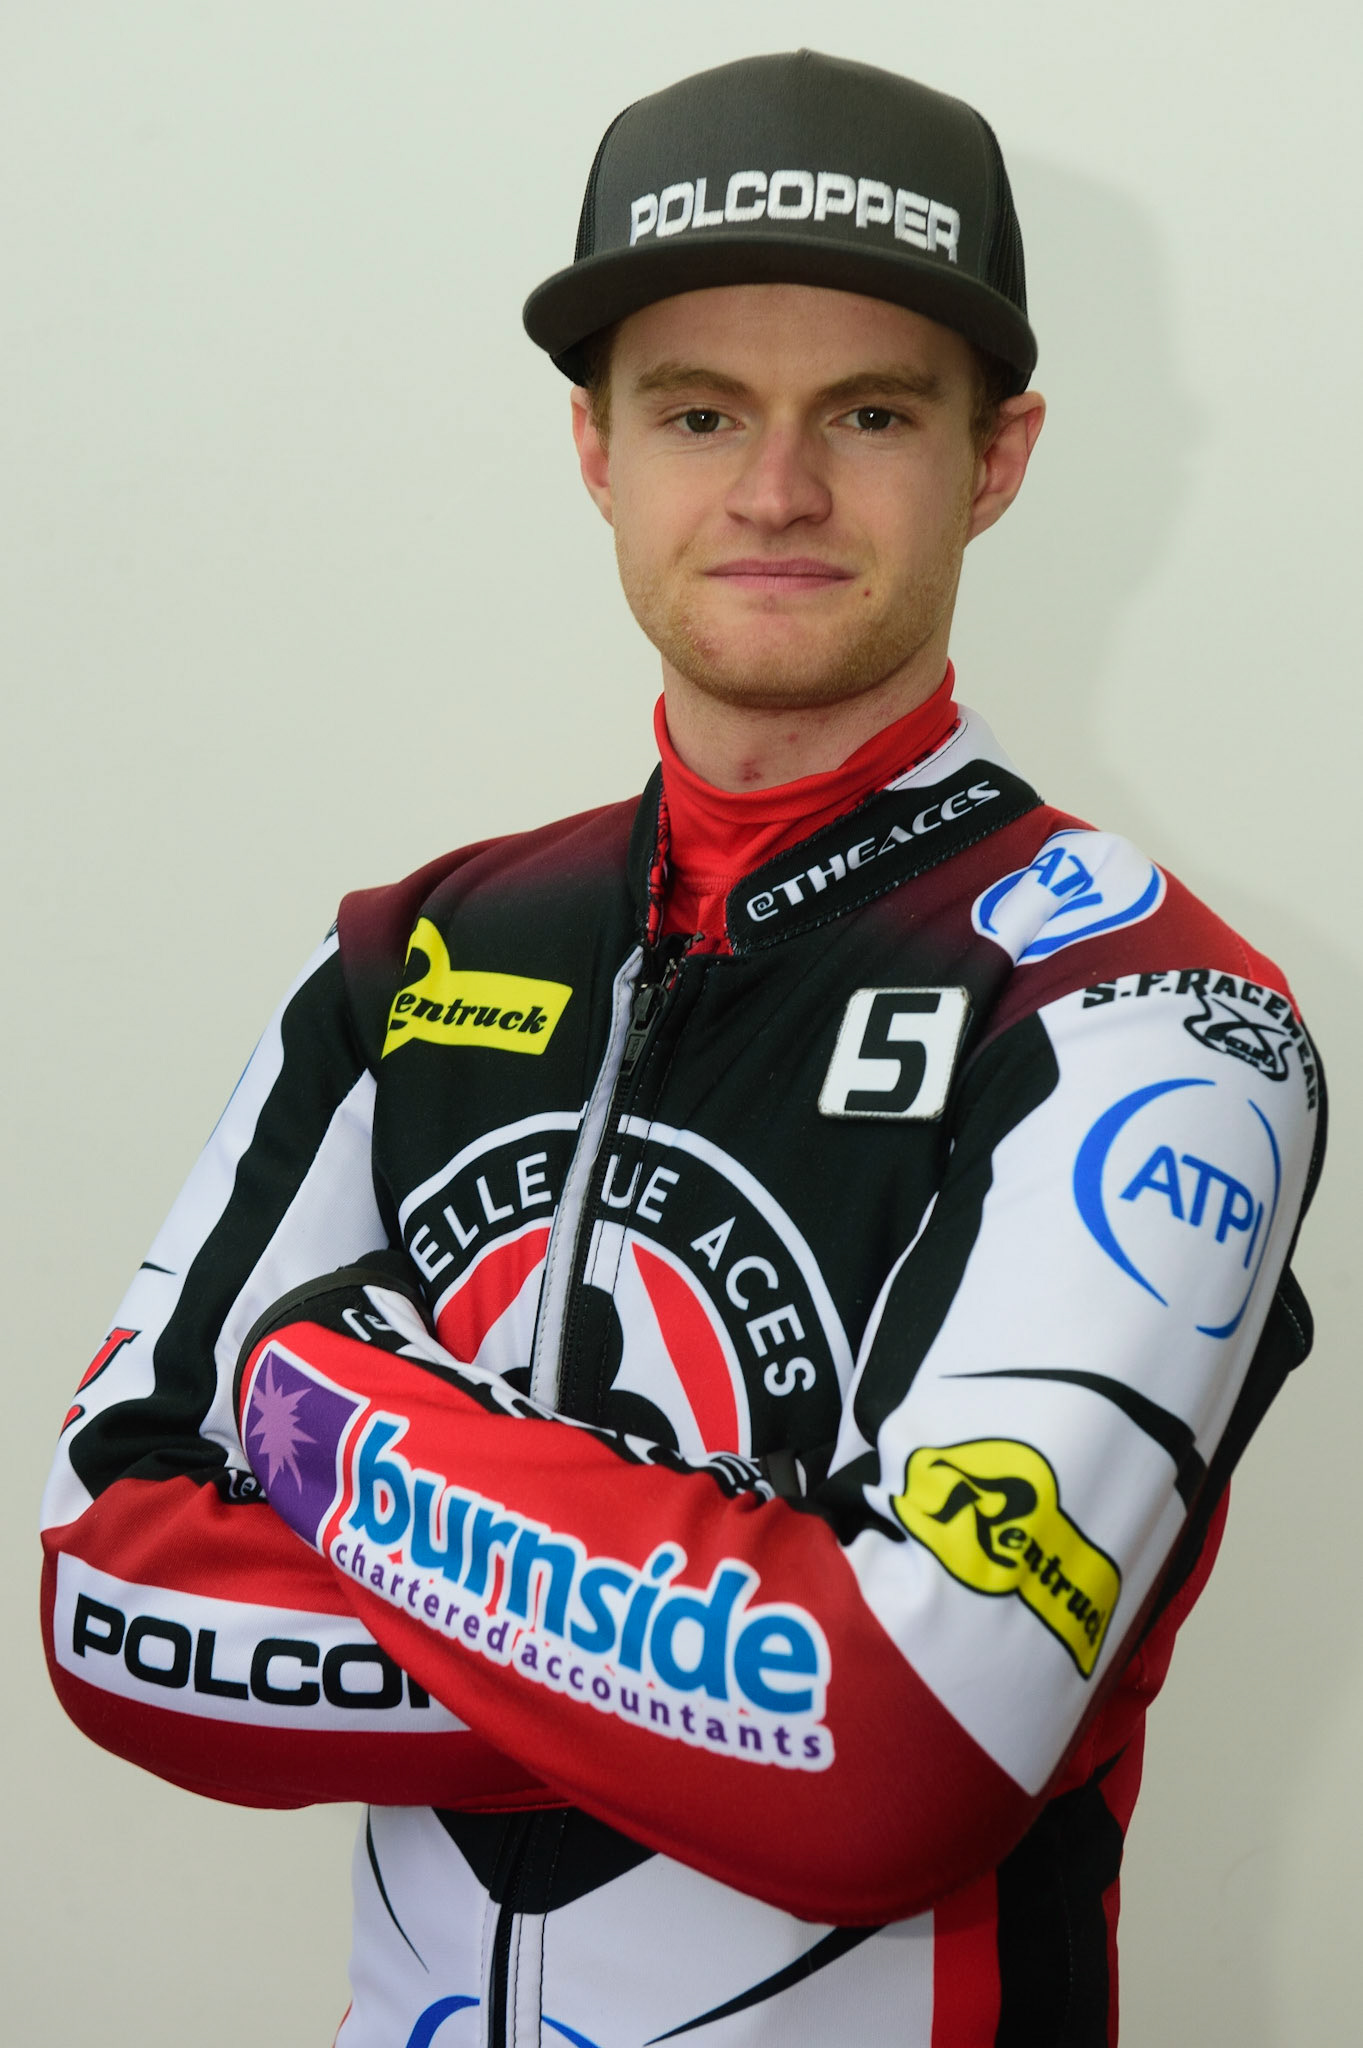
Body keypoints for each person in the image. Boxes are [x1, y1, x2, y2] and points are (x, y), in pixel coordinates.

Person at [40, 48, 1325, 2048]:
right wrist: (721, 1654)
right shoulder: (409, 952)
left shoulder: (1144, 1010)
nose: (776, 488)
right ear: (595, 452)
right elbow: (104, 1602)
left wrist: (322, 1410)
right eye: (698, 410)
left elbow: (900, 1746)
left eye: (871, 414)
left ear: (996, 458)